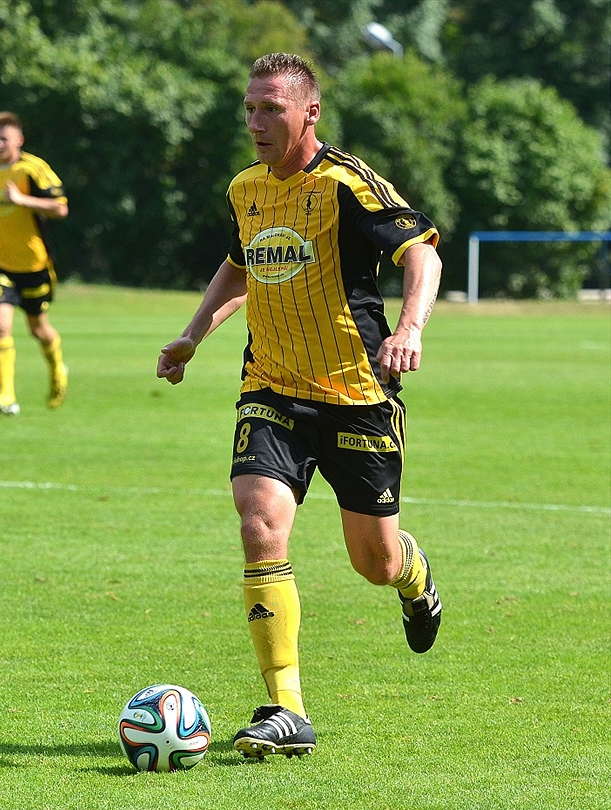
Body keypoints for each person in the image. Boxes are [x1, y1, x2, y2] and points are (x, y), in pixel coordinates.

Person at [157, 53, 443, 759]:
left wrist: (408, 330)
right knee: (259, 524)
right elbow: (241, 262)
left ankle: (414, 575)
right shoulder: (246, 188)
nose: (256, 123)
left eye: (270, 110)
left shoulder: (345, 183)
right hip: (272, 387)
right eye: (250, 109)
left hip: (355, 394)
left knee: (372, 561)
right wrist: (193, 334)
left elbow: (423, 254)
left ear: (308, 112)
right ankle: (286, 705)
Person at [0, 111, 69, 415]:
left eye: (4, 138)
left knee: (38, 329)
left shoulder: (34, 169)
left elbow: (60, 209)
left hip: (34, 264)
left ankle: (57, 369)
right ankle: (6, 395)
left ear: (19, 140)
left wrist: (24, 201)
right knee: (0, 323)